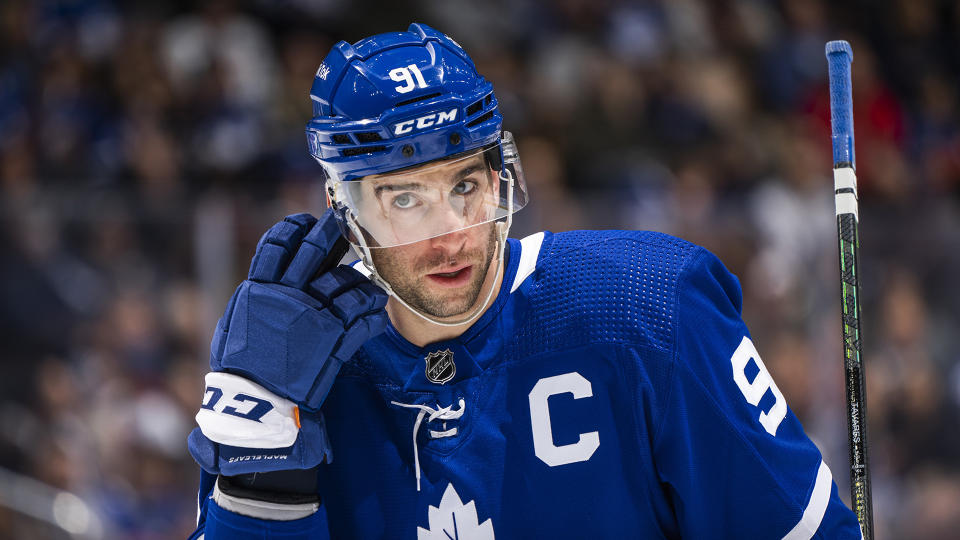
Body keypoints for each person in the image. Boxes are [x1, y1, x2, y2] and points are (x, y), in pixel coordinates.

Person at [186, 23, 864, 539]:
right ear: (344, 211)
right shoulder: (289, 376)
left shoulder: (647, 307)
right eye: (404, 199)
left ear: (501, 175)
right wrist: (261, 477)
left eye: (465, 185)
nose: (450, 233)